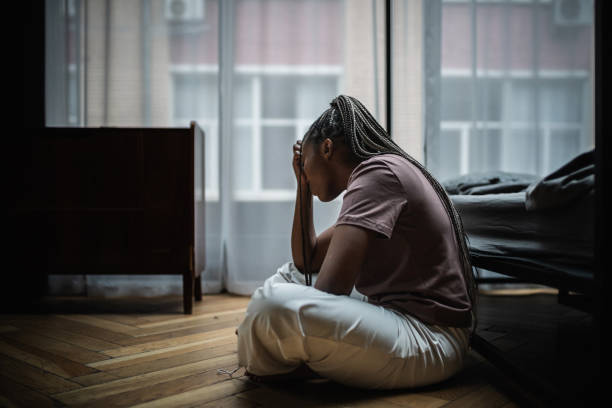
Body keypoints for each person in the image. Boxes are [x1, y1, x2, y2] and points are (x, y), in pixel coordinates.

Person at [236, 95, 476, 389]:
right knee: (290, 275)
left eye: (304, 163)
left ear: (327, 148)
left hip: (429, 338)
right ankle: (277, 348)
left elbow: (329, 292)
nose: (303, 171)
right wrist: (302, 185)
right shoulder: (377, 175)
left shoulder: (377, 174)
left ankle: (276, 353)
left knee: (270, 305)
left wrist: (266, 323)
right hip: (403, 319)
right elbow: (307, 262)